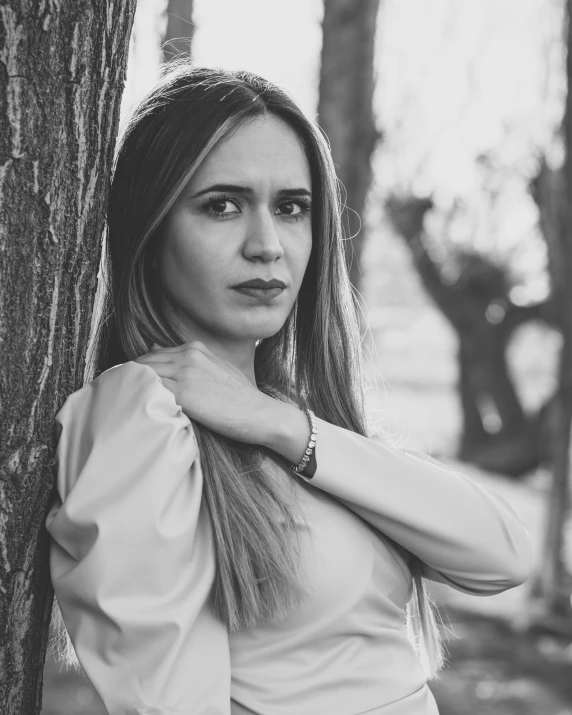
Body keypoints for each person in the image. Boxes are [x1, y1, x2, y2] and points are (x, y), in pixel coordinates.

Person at [46, 64, 532, 715]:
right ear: (151, 230)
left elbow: (501, 553)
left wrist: (281, 425)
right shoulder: (140, 414)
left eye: (291, 207)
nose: (267, 245)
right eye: (221, 205)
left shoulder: (292, 413)